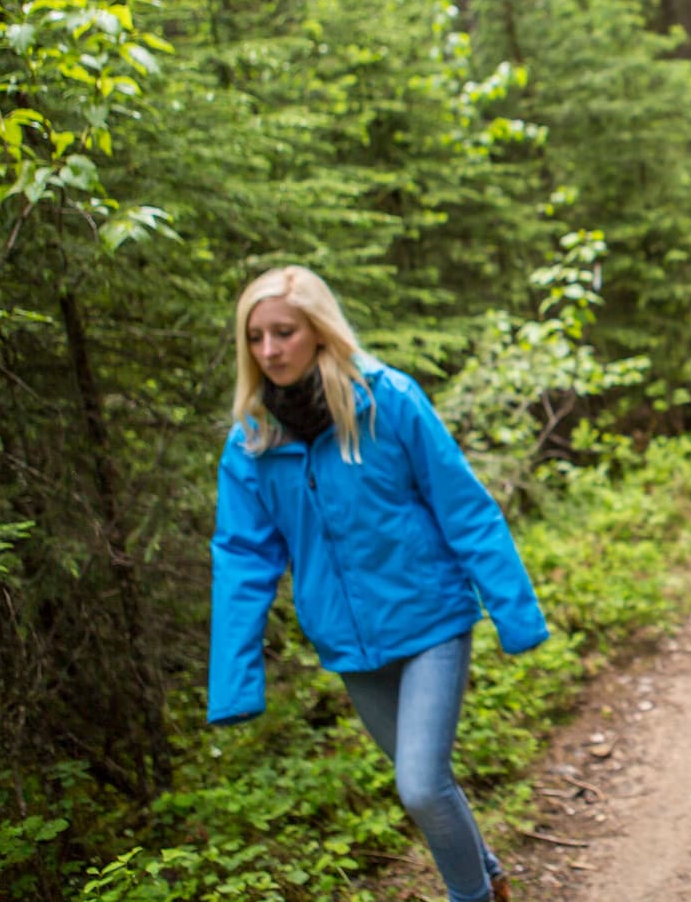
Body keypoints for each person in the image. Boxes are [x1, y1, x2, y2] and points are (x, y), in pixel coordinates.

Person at [208, 266, 549, 902]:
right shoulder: (252, 443)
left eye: (284, 332)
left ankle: (470, 896)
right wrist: (233, 679)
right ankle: (490, 876)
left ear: (318, 330)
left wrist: (514, 611)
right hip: (348, 643)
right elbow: (241, 560)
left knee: (420, 785)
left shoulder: (385, 400)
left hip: (430, 622)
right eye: (256, 338)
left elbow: (462, 504)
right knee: (427, 784)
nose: (269, 350)